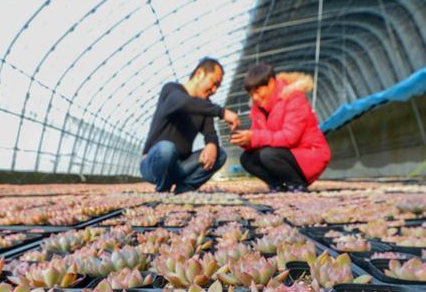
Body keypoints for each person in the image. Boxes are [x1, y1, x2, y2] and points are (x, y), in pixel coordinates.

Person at [140, 58, 241, 193]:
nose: (214, 90)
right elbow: (183, 103)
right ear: (199, 73)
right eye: (214, 83)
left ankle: (184, 188)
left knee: (220, 154)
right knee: (166, 149)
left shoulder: (205, 105)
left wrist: (211, 145)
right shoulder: (171, 90)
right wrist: (222, 112)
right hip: (154, 164)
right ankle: (163, 189)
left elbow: (210, 133)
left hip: (181, 166)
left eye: (218, 87)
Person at [230, 63, 331, 192]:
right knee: (247, 159)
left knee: (268, 154)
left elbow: (290, 137)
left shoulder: (294, 97)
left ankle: (297, 185)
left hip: (310, 154)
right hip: (284, 154)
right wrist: (246, 141)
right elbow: (258, 138)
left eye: (257, 91)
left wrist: (254, 137)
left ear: (271, 83)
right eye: (251, 94)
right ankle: (277, 185)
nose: (255, 97)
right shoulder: (258, 109)